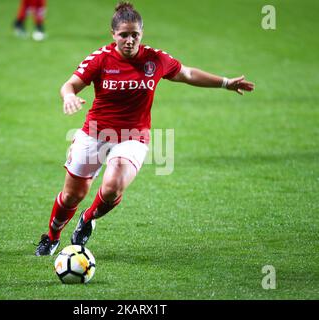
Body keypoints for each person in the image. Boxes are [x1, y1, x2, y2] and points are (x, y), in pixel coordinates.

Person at [35, 1, 254, 256]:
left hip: (133, 136)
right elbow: (69, 85)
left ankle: (87, 219)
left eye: (134, 34)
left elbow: (188, 74)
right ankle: (52, 236)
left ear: (142, 33)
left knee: (112, 187)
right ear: (113, 34)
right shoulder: (100, 59)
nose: (129, 40)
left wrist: (225, 83)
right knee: (72, 195)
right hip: (95, 133)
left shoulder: (155, 59)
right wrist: (68, 96)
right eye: (123, 35)